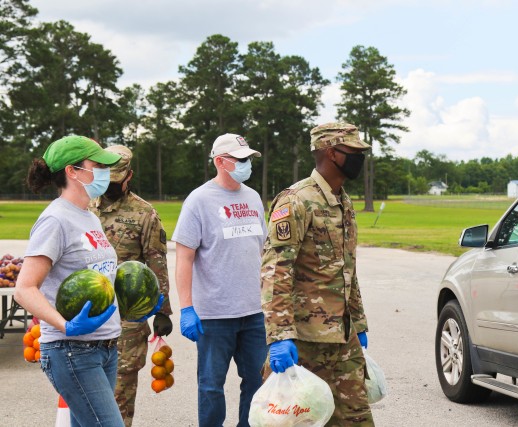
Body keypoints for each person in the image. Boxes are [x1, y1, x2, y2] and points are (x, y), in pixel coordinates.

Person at [261, 122, 375, 426]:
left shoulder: (343, 200)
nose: (359, 158)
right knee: (301, 422)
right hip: (304, 342)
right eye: (353, 151)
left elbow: (347, 269)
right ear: (331, 153)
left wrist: (359, 321)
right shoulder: (296, 200)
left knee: (357, 419)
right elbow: (276, 271)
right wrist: (280, 336)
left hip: (343, 338)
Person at [14, 135, 122, 426]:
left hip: (105, 347)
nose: (105, 172)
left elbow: (99, 276)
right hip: (72, 349)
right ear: (72, 171)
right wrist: (65, 324)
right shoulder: (56, 220)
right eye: (97, 165)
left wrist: (135, 301)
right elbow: (24, 289)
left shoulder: (89, 217)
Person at [172, 133, 268, 427]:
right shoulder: (199, 200)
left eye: (248, 159)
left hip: (254, 312)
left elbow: (263, 250)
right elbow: (184, 257)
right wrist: (187, 308)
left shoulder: (252, 197)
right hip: (214, 315)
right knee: (211, 387)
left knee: (257, 382)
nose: (246, 164)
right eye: (240, 160)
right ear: (220, 162)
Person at [89, 145, 173, 427]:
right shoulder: (85, 206)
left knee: (120, 394)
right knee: (86, 390)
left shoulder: (144, 213)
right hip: (86, 313)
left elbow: (156, 263)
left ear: (129, 176)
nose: (111, 185)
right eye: (107, 178)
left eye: (116, 179)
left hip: (127, 318)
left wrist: (162, 309)